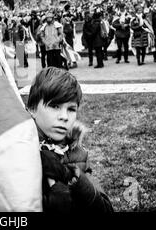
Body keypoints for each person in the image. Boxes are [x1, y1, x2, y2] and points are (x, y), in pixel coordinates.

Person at [26, 67, 113, 213]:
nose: (64, 116)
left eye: (71, 109)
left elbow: (105, 209)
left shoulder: (77, 153)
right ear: (32, 108)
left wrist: (76, 179)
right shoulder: (17, 150)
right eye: (55, 106)